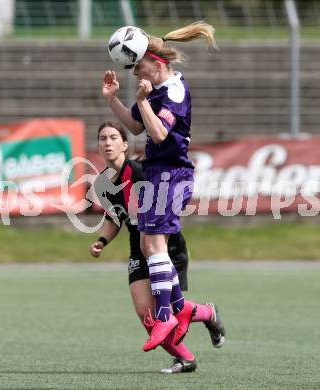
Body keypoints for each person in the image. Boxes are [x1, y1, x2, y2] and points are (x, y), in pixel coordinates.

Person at [102, 21, 219, 350]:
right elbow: (137, 128)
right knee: (146, 245)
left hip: (172, 174)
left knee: (153, 246)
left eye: (139, 66)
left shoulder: (174, 90)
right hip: (156, 174)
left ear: (157, 61)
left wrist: (141, 101)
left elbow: (159, 134)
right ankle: (180, 310)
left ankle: (167, 314)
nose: (137, 73)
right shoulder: (154, 90)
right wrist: (113, 100)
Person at [90, 121, 225, 373]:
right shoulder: (102, 184)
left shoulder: (141, 172)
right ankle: (186, 358)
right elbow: (113, 218)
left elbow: (166, 208)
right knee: (146, 314)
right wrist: (101, 241)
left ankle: (208, 313)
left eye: (113, 138)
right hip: (136, 247)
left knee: (174, 309)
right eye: (102, 138)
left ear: (125, 145)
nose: (107, 143)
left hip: (165, 245)